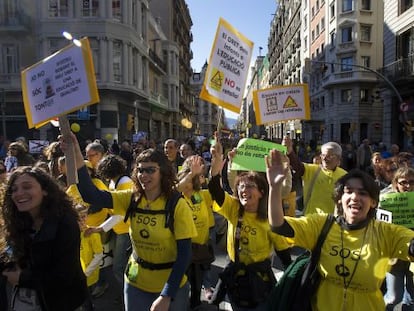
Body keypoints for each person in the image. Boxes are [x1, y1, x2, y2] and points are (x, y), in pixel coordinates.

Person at [61, 132, 197, 311]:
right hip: (135, 284)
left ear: (163, 172)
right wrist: (75, 152)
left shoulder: (177, 205)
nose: (144, 175)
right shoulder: (131, 198)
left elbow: (184, 255)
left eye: (150, 170)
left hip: (170, 286)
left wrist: (166, 294)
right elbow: (90, 195)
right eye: (140, 170)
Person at [266, 149, 414, 311]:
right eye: (348, 191)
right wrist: (274, 188)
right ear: (339, 199)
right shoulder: (322, 225)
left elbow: (410, 245)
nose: (355, 197)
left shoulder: (386, 232)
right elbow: (279, 225)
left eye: (363, 193)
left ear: (373, 202)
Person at [208, 137, 291, 311]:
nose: (245, 191)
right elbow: (216, 192)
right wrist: (215, 171)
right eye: (241, 187)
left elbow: (283, 254)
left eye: (250, 186)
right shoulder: (233, 208)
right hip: (235, 282)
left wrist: (292, 282)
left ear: (261, 193)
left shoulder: (270, 218)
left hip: (260, 283)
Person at [1, 166, 88, 310]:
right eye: (14, 189)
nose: (19, 193)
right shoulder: (17, 221)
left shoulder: (65, 223)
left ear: (45, 190)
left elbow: (64, 275)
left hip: (62, 302)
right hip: (25, 301)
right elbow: (12, 255)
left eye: (27, 187)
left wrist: (22, 279)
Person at [177, 155, 215, 309]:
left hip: (200, 249)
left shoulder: (202, 194)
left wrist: (217, 168)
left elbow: (218, 192)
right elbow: (178, 189)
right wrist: (191, 174)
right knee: (181, 285)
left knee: (197, 284)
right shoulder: (177, 195)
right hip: (182, 249)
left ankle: (195, 304)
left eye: (201, 174)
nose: (200, 178)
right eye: (196, 174)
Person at [283, 136, 347, 215]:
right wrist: (290, 152)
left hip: (333, 222)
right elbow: (297, 166)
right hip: (311, 221)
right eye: (323, 155)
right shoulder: (312, 170)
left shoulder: (345, 176)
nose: (325, 159)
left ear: (338, 159)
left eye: (329, 156)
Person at [380, 167, 414, 310]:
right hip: (394, 256)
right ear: (395, 183)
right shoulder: (386, 199)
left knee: (412, 298)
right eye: (403, 182)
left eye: (412, 182)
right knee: (393, 297)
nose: (408, 186)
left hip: (413, 256)